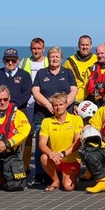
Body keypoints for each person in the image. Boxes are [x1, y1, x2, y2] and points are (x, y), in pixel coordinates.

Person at [29, 47, 78, 184]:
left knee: (63, 143)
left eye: (57, 57)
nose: (54, 59)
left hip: (63, 114)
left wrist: (63, 104)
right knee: (42, 146)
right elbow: (35, 91)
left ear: (61, 58)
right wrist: (48, 104)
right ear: (48, 58)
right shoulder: (41, 73)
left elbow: (74, 90)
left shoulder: (67, 73)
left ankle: (60, 171)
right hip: (43, 115)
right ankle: (40, 175)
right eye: (52, 57)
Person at [38, 92, 84, 191]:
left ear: (66, 104)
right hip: (55, 160)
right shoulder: (47, 121)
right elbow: (41, 144)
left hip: (70, 160)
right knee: (44, 157)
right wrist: (51, 153)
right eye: (55, 105)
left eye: (61, 104)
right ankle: (55, 180)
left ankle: (68, 175)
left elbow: (78, 142)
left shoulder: (76, 119)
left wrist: (63, 154)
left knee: (68, 187)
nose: (58, 107)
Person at [18, 37, 49, 121]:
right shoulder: (24, 62)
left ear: (43, 49)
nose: (36, 51)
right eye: (34, 48)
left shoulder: (49, 61)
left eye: (39, 48)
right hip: (28, 100)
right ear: (30, 49)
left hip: (44, 99)